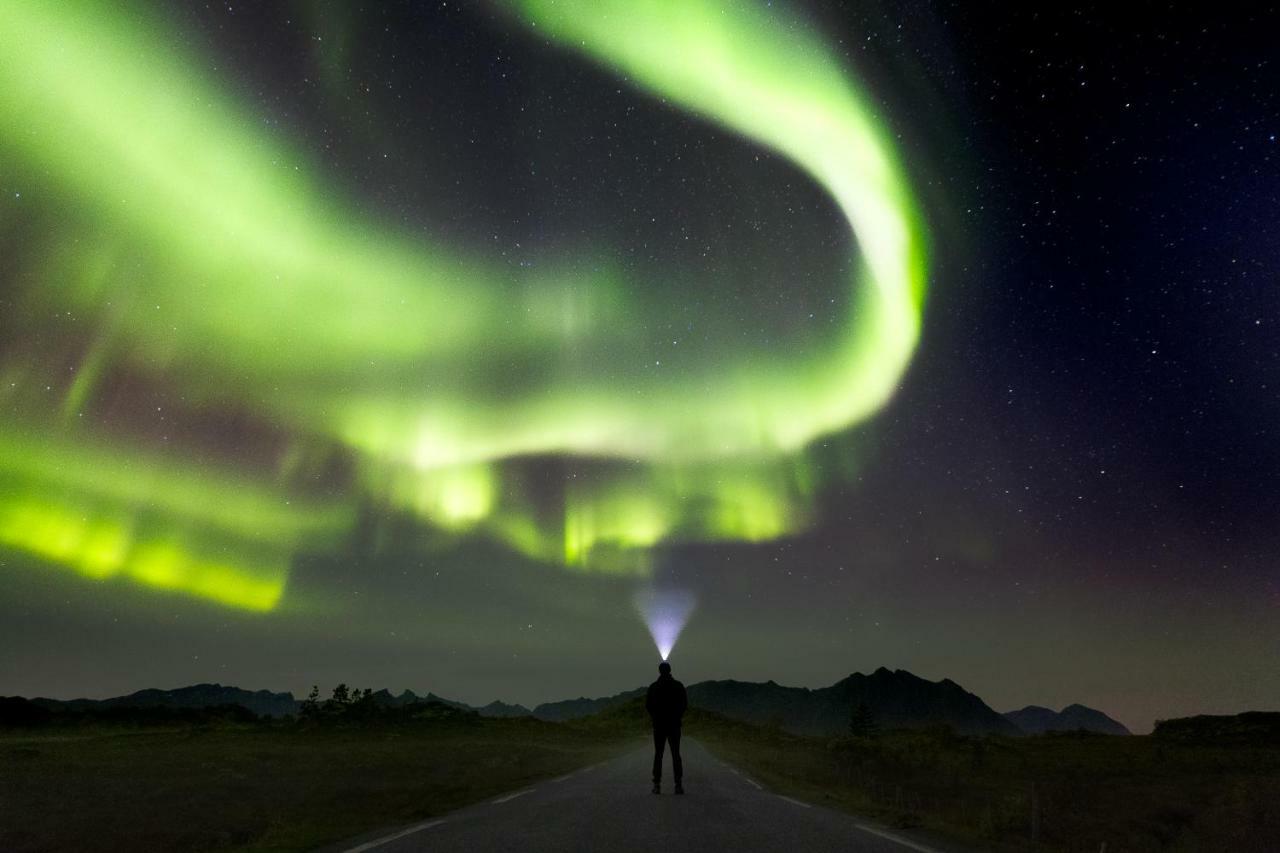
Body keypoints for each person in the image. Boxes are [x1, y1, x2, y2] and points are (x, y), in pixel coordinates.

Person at [646, 660, 687, 794]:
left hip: (659, 726)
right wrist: (677, 716)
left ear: (659, 671)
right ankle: (678, 785)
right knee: (676, 754)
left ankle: (657, 785)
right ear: (670, 670)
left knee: (658, 754)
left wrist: (655, 717)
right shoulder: (678, 686)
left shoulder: (653, 687)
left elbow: (648, 706)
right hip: (674, 725)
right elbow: (684, 704)